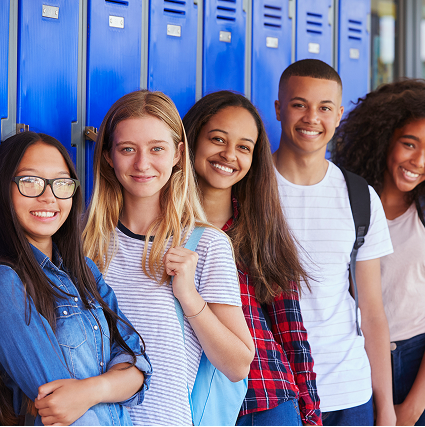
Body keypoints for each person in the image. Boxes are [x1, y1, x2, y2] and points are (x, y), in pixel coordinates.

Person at [83, 90, 255, 425]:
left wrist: (189, 297)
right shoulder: (82, 241)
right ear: (108, 155)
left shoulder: (206, 245)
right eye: (127, 149)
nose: (142, 164)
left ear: (178, 154)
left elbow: (237, 365)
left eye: (156, 149)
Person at [334, 79, 425, 426]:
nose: (419, 161)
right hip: (360, 362)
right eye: (409, 144)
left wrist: (412, 408)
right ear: (384, 139)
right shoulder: (346, 200)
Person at [183, 90, 321, 426]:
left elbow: (290, 330)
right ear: (191, 141)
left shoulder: (260, 229)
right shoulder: (162, 230)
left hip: (265, 400)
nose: (229, 155)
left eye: (244, 147)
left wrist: (311, 413)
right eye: (217, 139)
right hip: (190, 403)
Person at [272, 58, 395, 426]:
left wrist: (385, 406)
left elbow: (372, 312)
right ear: (279, 108)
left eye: (324, 108)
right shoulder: (249, 189)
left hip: (350, 393)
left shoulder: (360, 195)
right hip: (275, 393)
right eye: (299, 105)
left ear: (339, 114)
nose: (312, 118)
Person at [0, 131, 152, 426]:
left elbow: (138, 365)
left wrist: (88, 390)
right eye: (30, 181)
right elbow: (57, 403)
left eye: (61, 183)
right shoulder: (7, 282)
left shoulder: (84, 271)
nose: (49, 196)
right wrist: (110, 385)